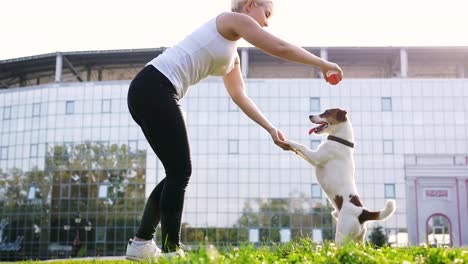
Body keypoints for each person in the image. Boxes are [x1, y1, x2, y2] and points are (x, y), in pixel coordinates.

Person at [125, 0, 343, 260]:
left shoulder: (231, 56)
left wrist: (271, 129)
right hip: (155, 87)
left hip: (149, 91)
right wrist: (322, 64)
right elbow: (279, 46)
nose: (266, 22)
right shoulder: (230, 20)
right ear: (250, 4)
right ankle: (171, 251)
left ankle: (141, 243)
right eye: (266, 13)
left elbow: (240, 96)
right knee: (180, 171)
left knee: (176, 172)